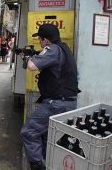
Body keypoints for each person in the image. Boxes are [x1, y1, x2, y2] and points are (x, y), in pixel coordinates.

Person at [20, 24, 80, 170]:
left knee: (29, 132)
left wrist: (29, 56)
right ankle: (49, 164)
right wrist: (27, 57)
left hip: (57, 103)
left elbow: (32, 66)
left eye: (40, 39)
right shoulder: (63, 49)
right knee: (46, 136)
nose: (40, 42)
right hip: (64, 102)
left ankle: (38, 166)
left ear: (46, 40)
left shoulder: (52, 49)